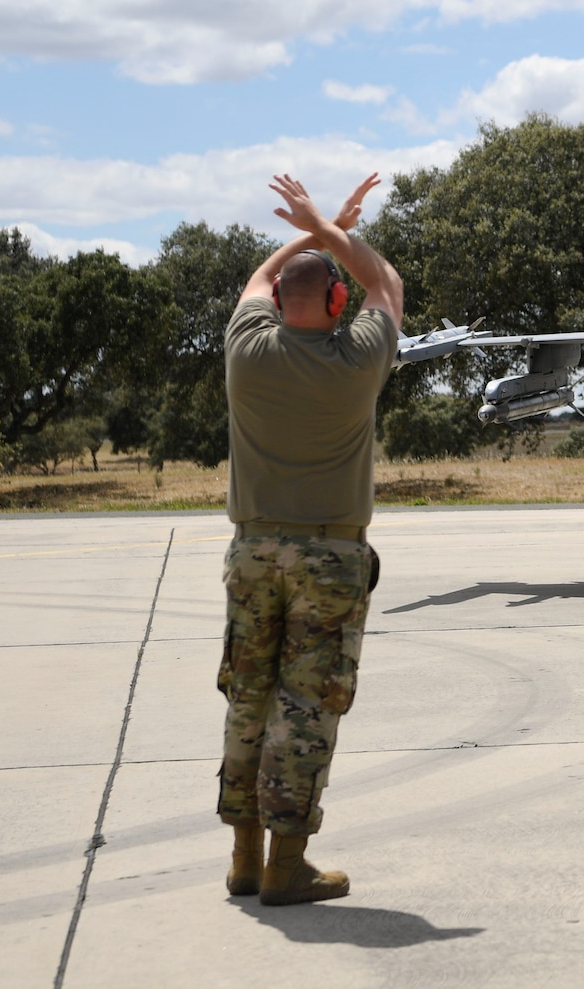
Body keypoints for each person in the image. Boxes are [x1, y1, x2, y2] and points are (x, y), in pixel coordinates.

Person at [217, 172, 403, 906]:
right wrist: (336, 230)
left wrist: (308, 230)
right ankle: (286, 865)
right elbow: (384, 284)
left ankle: (243, 855)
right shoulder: (357, 358)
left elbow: (260, 277)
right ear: (334, 303)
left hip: (252, 551)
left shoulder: (245, 350)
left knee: (248, 698)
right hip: (330, 555)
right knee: (304, 707)